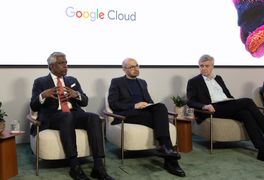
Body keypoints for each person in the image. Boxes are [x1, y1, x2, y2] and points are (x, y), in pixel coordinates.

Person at [186, 54, 264, 167]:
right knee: (247, 101)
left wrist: (232, 101)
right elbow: (190, 101)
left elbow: (227, 95)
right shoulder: (194, 81)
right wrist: (204, 106)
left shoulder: (218, 78)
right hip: (211, 108)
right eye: (201, 66)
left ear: (212, 66)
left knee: (246, 114)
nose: (204, 68)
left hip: (226, 105)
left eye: (207, 66)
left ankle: (262, 151)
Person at [30, 52, 114, 180]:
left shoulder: (72, 80)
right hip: (53, 117)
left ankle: (98, 166)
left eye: (66, 63)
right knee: (66, 116)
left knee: (94, 117)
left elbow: (85, 101)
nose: (65, 66)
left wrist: (76, 94)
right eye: (61, 63)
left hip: (73, 114)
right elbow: (33, 106)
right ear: (51, 66)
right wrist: (43, 95)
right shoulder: (40, 82)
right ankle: (74, 166)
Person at [108, 58, 186, 177]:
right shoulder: (116, 82)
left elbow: (149, 101)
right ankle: (171, 160)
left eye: (137, 66)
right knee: (161, 120)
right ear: (124, 69)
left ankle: (166, 150)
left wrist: (149, 105)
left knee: (160, 107)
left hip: (143, 112)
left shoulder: (142, 82)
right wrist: (135, 105)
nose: (135, 69)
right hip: (127, 114)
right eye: (131, 67)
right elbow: (113, 104)